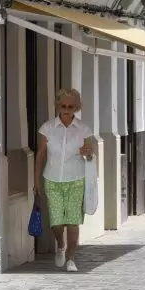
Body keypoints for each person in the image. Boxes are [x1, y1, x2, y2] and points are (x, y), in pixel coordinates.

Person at [33, 88, 95, 272]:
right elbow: (40, 155)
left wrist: (88, 154)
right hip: (52, 179)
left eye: (71, 106)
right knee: (57, 222)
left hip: (76, 178)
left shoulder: (83, 129)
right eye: (63, 105)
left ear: (77, 107)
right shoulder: (47, 128)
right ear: (58, 105)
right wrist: (36, 180)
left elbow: (90, 154)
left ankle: (71, 258)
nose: (67, 109)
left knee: (73, 221)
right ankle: (60, 244)